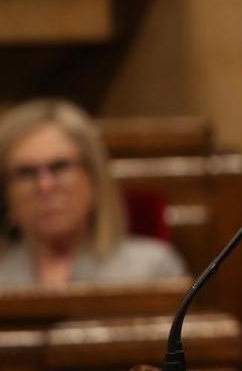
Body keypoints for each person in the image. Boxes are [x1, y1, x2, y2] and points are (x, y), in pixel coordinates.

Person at [0, 98, 188, 286]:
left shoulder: (152, 268)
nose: (45, 185)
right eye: (26, 172)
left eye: (60, 167)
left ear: (93, 176)